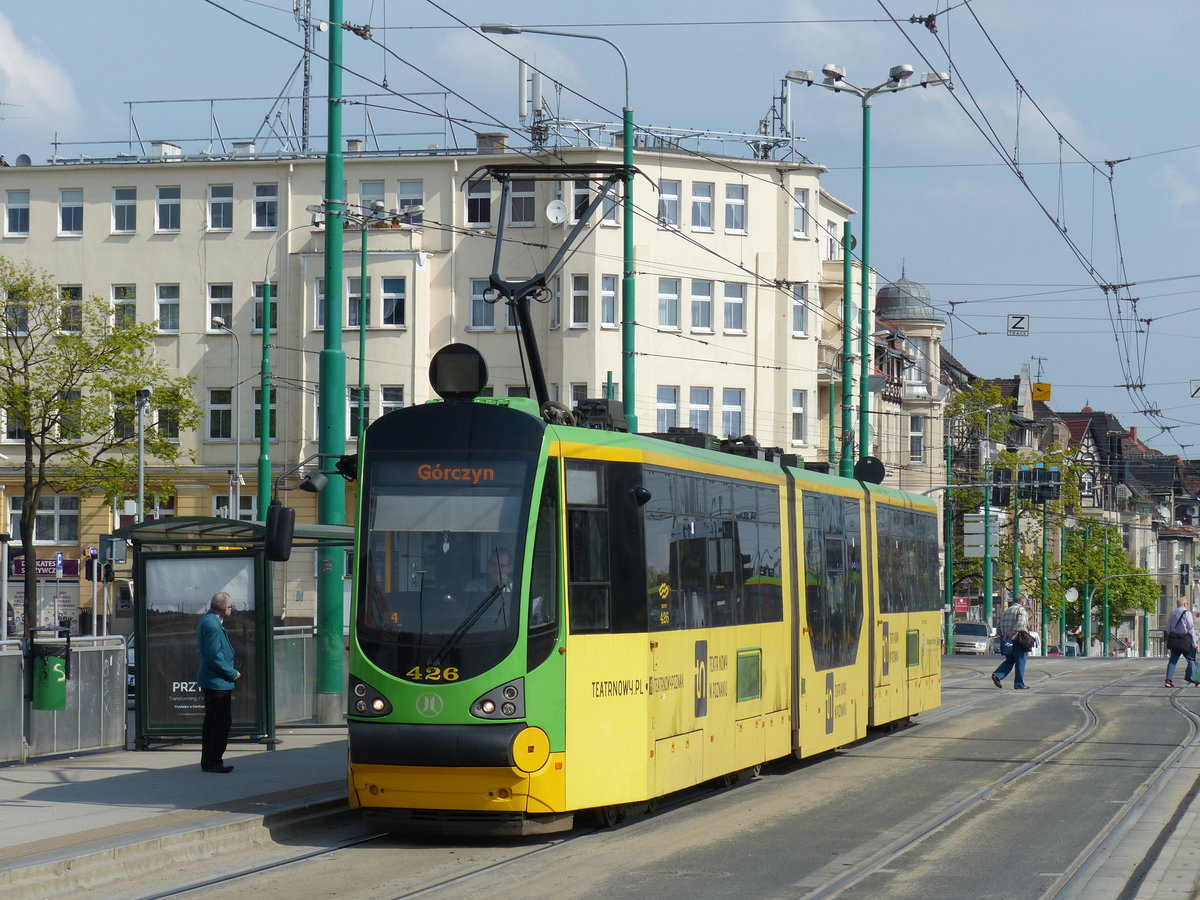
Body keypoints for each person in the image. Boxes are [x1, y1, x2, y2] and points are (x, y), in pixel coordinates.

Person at [196, 591, 240, 773]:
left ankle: (208, 761)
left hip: (213, 680)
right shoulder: (212, 625)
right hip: (217, 682)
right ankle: (214, 761)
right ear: (223, 609)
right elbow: (214, 655)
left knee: (212, 722)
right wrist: (231, 672)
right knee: (220, 722)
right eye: (230, 607)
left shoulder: (209, 620)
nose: (231, 610)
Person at [991, 596, 1030, 690]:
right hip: (1018, 639)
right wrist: (1012, 631)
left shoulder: (1006, 611)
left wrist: (1000, 635)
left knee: (1010, 660)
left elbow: (999, 625)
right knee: (1020, 661)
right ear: (1022, 603)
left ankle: (998, 675)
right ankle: (1019, 683)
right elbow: (1021, 623)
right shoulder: (1021, 610)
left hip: (1007, 641)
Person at [1164, 597, 1198, 688]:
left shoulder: (1172, 614)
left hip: (1175, 641)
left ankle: (1168, 680)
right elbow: (1191, 629)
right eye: (1186, 604)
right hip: (1185, 641)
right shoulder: (1187, 613)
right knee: (1191, 660)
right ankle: (1196, 680)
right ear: (1184, 604)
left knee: (1172, 661)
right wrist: (1194, 642)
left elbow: (1168, 629)